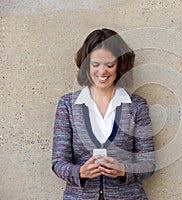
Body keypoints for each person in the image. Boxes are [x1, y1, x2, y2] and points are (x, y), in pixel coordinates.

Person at [52, 28, 155, 200]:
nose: (102, 72)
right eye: (95, 64)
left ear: (119, 65)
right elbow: (58, 162)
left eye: (109, 65)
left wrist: (122, 170)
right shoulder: (68, 105)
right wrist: (80, 172)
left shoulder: (137, 106)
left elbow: (148, 164)